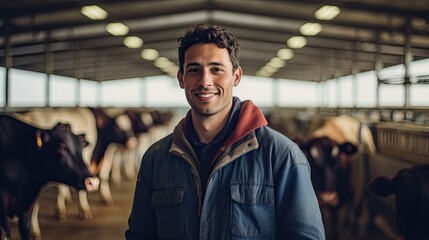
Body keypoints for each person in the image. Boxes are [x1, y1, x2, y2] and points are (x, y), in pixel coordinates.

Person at [125, 23, 325, 240]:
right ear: (181, 79)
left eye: (216, 69)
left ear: (236, 77)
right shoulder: (156, 158)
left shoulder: (281, 156)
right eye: (194, 70)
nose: (204, 81)